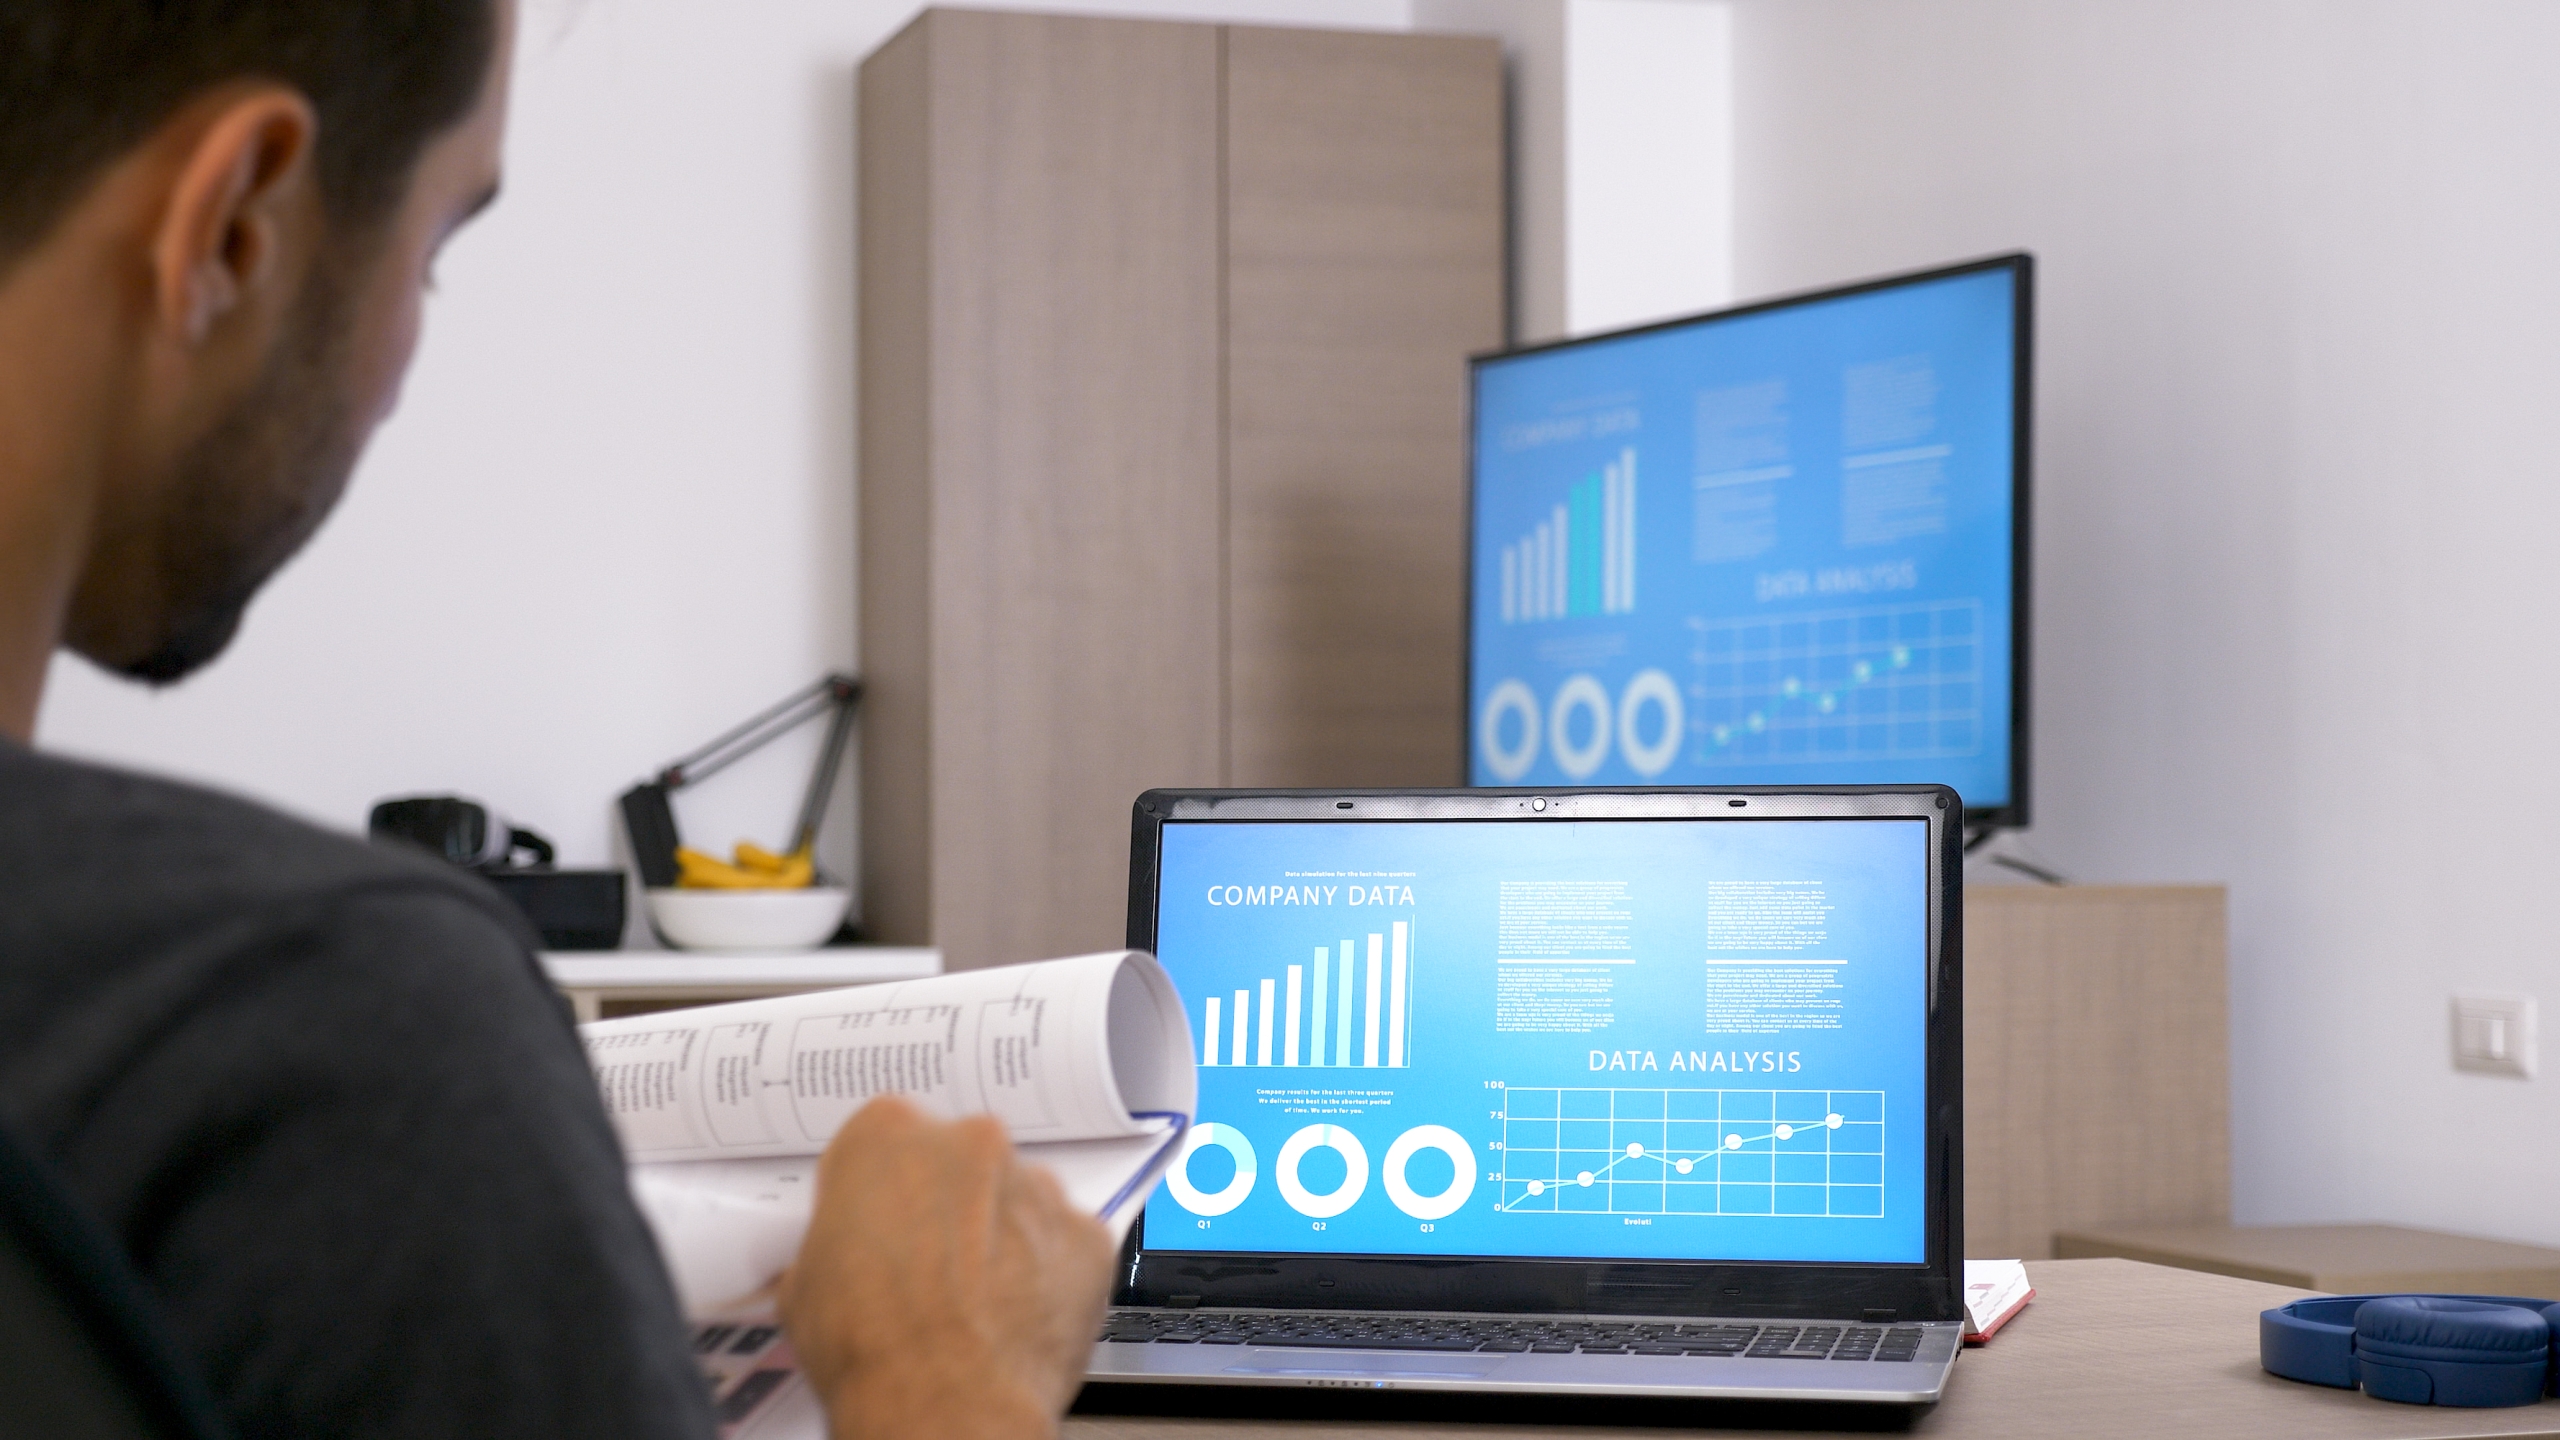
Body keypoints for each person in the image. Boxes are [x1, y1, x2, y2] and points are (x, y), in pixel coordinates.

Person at [0, 3, 1115, 1437]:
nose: (406, 350)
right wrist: (941, 1378)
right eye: (437, 253)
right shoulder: (338, 1024)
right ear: (234, 224)